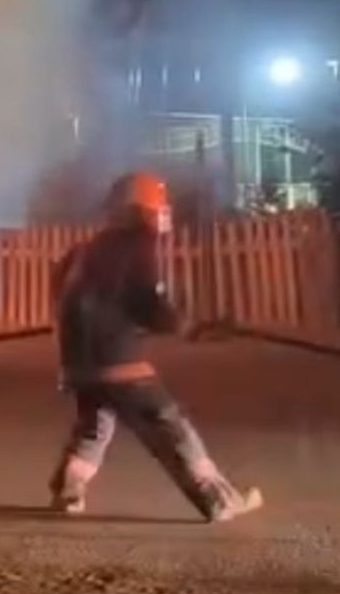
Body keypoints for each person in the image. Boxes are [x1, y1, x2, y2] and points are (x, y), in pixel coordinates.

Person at [48, 172, 263, 523]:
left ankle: (69, 490)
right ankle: (218, 500)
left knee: (94, 425)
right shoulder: (138, 244)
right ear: (146, 211)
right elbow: (145, 302)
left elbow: (65, 289)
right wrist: (188, 328)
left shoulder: (87, 249)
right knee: (168, 424)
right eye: (159, 208)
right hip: (117, 363)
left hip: (77, 365)